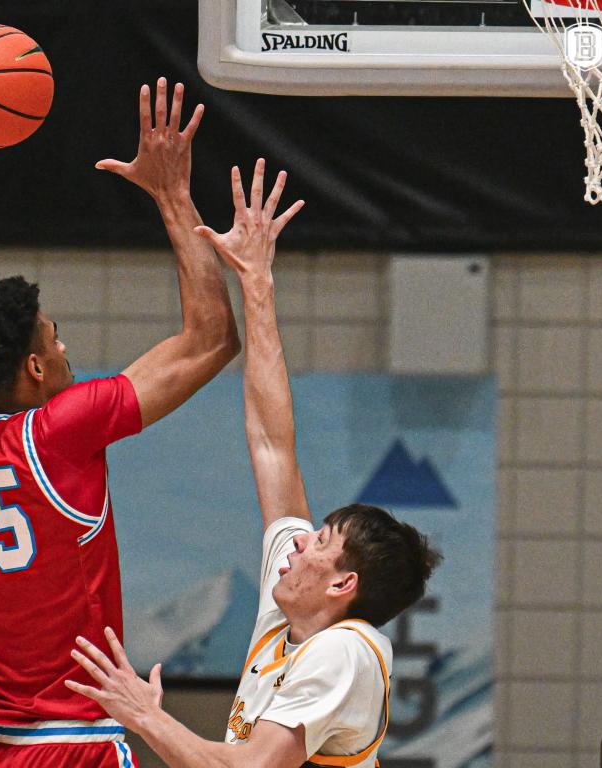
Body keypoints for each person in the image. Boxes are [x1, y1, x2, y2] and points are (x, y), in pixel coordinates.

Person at [0, 57, 240, 768]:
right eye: (54, 338)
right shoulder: (59, 430)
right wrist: (174, 196)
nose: (66, 348)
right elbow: (213, 341)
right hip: (71, 742)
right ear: (34, 369)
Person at [68, 159, 442, 768]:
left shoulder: (344, 650)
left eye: (319, 540)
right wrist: (257, 282)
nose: (297, 543)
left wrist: (145, 715)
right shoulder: (290, 602)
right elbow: (272, 441)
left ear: (343, 584)